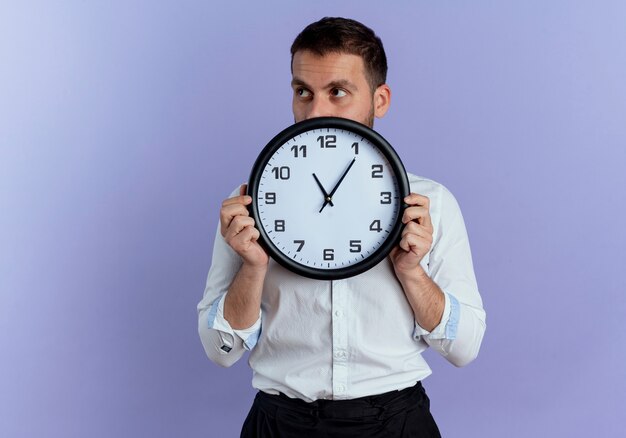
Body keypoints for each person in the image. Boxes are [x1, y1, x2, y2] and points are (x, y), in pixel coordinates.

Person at [198, 17, 486, 437]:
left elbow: (464, 349)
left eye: (338, 92)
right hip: (281, 424)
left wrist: (411, 271)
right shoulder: (251, 201)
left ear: (380, 99)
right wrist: (253, 267)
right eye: (303, 92)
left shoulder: (429, 204)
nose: (316, 112)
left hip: (396, 423)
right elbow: (219, 351)